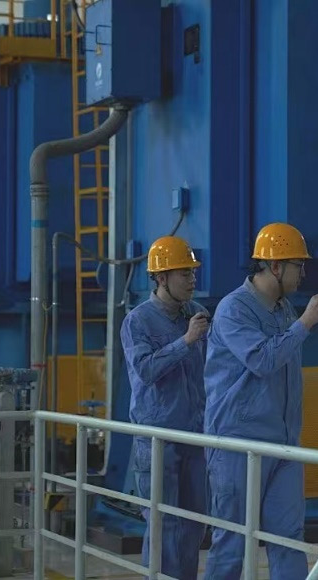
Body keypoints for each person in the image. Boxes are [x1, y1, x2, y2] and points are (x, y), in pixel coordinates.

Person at [202, 223, 318, 579]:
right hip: (237, 443)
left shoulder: (283, 308)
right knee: (232, 541)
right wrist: (305, 322)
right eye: (298, 265)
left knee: (288, 538)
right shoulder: (234, 309)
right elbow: (262, 360)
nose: (302, 274)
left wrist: (299, 321)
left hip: (283, 443)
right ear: (275, 266)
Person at [120, 235, 209, 580]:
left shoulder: (197, 313)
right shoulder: (138, 321)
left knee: (195, 523)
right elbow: (145, 370)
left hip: (196, 436)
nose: (192, 280)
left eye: (192, 273)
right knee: (164, 525)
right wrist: (186, 341)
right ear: (161, 277)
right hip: (158, 440)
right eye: (184, 273)